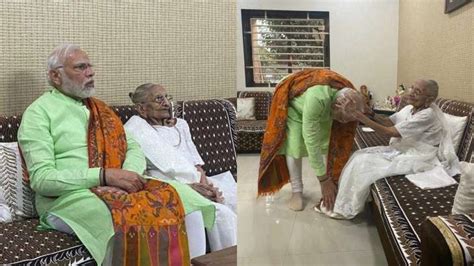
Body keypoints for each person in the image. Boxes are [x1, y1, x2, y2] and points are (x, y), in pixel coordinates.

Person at [18, 44, 196, 265]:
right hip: (66, 199)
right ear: (56, 75)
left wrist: (124, 177)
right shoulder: (38, 113)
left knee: (183, 202)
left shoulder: (103, 111)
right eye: (81, 67)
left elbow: (133, 147)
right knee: (121, 217)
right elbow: (42, 179)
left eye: (90, 66)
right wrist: (104, 176)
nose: (90, 73)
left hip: (116, 185)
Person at [319, 79, 460, 219]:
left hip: (420, 155)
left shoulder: (428, 114)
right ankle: (342, 201)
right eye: (412, 88)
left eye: (417, 92)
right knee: (358, 156)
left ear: (429, 99)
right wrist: (371, 113)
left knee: (363, 163)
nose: (411, 93)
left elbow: (390, 132)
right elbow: (389, 121)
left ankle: (347, 207)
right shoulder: (410, 109)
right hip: (405, 148)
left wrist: (359, 115)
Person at [124, 83, 237, 252]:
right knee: (221, 214)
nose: (166, 103)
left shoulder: (181, 125)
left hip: (200, 181)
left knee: (234, 200)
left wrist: (207, 187)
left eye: (167, 97)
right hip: (170, 187)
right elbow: (145, 175)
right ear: (142, 109)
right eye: (158, 99)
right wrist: (192, 189)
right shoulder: (137, 131)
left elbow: (197, 164)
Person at [258, 69, 368, 212]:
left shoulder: (349, 93)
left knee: (332, 141)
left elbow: (344, 133)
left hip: (321, 108)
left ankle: (334, 183)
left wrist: (332, 179)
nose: (343, 122)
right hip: (295, 107)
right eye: (341, 118)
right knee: (295, 146)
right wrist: (323, 180)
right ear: (335, 107)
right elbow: (312, 141)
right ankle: (296, 192)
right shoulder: (317, 99)